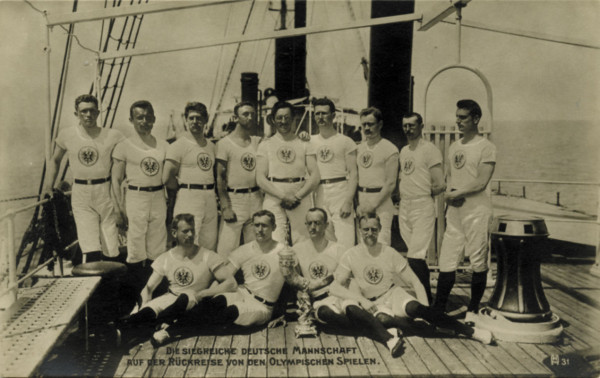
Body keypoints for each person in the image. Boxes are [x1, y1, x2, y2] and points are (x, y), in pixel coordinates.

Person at [330, 213, 492, 357]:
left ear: (380, 229)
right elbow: (335, 287)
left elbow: (415, 282)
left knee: (416, 309)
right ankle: (413, 328)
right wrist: (361, 300)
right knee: (383, 319)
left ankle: (471, 332)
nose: (370, 233)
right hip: (373, 303)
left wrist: (426, 310)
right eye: (366, 229)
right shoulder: (351, 255)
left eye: (374, 229)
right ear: (359, 230)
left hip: (393, 294)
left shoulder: (390, 252)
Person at [155, 210, 286, 344]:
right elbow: (224, 277)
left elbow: (291, 283)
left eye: (264, 226)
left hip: (261, 305)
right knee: (216, 302)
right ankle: (168, 329)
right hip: (242, 293)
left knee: (228, 313)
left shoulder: (284, 252)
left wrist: (282, 313)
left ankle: (171, 331)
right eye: (256, 225)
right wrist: (206, 296)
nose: (260, 230)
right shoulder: (244, 250)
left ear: (274, 228)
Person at [116, 213, 236, 347]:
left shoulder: (208, 256)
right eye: (185, 231)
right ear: (174, 233)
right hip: (171, 297)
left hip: (195, 301)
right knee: (148, 311)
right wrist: (143, 304)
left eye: (192, 230)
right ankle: (121, 334)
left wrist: (204, 294)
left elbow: (231, 283)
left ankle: (139, 328)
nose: (190, 235)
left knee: (185, 297)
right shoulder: (166, 258)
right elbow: (149, 288)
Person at [434, 99, 496, 315]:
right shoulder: (454, 146)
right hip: (455, 210)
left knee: (477, 259)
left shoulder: (486, 147)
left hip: (476, 209)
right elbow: (451, 177)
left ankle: (473, 309)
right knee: (447, 257)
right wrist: (450, 195)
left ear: (476, 119)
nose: (457, 121)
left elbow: (481, 181)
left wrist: (458, 193)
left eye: (463, 117)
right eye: (457, 116)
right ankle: (439, 308)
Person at [43, 94, 124, 263]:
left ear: (98, 112)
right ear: (76, 114)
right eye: (84, 111)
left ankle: (112, 285)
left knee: (111, 244)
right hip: (81, 192)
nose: (88, 115)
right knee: (90, 245)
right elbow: (55, 160)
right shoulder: (67, 135)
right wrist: (49, 186)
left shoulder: (113, 135)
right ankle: (96, 283)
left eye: (92, 111)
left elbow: (125, 160)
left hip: (105, 190)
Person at [112, 100, 167, 272]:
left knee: (157, 246)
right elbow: (115, 180)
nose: (144, 121)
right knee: (135, 246)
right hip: (136, 198)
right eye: (139, 117)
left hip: (158, 197)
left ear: (154, 119)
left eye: (148, 117)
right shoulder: (123, 146)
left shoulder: (164, 146)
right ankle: (137, 289)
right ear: (131, 120)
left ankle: (156, 290)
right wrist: (119, 209)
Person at [398, 112, 446, 304]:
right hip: (404, 206)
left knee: (415, 256)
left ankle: (426, 300)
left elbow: (440, 184)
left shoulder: (430, 150)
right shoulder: (404, 151)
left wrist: (422, 197)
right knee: (414, 256)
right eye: (405, 126)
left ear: (421, 126)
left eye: (412, 125)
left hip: (422, 206)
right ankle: (424, 296)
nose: (408, 129)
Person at [256, 101, 320, 245]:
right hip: (274, 196)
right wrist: (283, 196)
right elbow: (260, 178)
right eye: (279, 118)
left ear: (293, 119)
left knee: (303, 240)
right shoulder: (265, 144)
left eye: (287, 117)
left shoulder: (305, 143)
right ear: (273, 120)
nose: (283, 121)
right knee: (274, 241)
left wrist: (297, 196)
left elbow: (315, 176)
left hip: (300, 196)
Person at [277, 208, 348, 325]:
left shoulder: (339, 249)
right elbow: (293, 281)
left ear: (326, 225)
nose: (313, 227)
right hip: (314, 302)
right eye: (309, 223)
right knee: (324, 314)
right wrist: (281, 313)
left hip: (336, 298)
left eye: (317, 223)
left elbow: (343, 279)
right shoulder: (297, 249)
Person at [163, 102, 218, 251]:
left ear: (205, 120)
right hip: (188, 196)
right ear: (186, 120)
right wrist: (184, 188)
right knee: (188, 241)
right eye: (191, 118)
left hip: (210, 197)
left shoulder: (212, 146)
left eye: (199, 118)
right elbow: (167, 177)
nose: (195, 122)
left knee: (209, 242)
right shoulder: (178, 146)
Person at [215, 101, 263, 257]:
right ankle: (224, 280)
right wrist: (225, 206)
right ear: (235, 118)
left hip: (255, 199)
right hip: (234, 200)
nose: (250, 117)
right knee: (226, 249)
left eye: (253, 115)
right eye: (246, 114)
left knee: (254, 249)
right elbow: (220, 177)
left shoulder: (256, 142)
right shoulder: (224, 144)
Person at [310, 98, 358, 249]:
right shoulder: (309, 141)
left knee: (345, 241)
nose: (320, 117)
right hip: (320, 193)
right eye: (317, 114)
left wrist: (348, 201)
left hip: (340, 191)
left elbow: (353, 173)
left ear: (333, 116)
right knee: (325, 240)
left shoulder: (346, 141)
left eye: (324, 113)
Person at [356, 107, 398, 245]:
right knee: (363, 244)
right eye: (364, 125)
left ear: (380, 125)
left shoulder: (390, 149)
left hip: (381, 202)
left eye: (370, 124)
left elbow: (391, 183)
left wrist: (373, 205)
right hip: (362, 200)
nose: (367, 128)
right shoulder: (359, 149)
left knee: (381, 242)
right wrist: (359, 205)